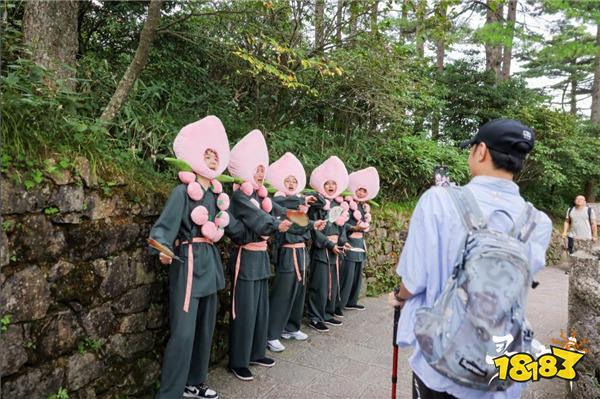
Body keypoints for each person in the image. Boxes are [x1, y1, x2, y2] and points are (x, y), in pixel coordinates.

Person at [390, 119, 553, 399]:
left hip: (440, 361)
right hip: (499, 364)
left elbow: (414, 279)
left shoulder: (438, 201)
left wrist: (400, 296)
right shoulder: (538, 222)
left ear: (481, 151)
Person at [150, 116, 245, 399]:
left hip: (210, 261)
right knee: (183, 332)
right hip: (189, 262)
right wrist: (163, 250)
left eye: (216, 155)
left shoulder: (217, 196)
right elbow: (162, 228)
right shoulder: (182, 192)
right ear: (194, 157)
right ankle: (169, 392)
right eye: (207, 154)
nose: (213, 159)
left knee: (205, 329)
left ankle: (194, 383)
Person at [226, 130, 295, 381]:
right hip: (245, 258)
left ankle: (255, 352)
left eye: (262, 169)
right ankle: (238, 360)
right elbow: (260, 220)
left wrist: (297, 214)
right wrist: (276, 225)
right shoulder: (240, 195)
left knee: (260, 308)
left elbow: (278, 210)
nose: (259, 173)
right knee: (243, 310)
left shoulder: (259, 195)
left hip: (261, 257)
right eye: (255, 169)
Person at [265, 152, 325, 352]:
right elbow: (284, 211)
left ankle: (291, 327)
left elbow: (311, 216)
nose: (291, 183)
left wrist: (313, 223)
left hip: (301, 253)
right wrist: (301, 203)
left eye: (294, 181)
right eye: (287, 180)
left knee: (298, 291)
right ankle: (272, 334)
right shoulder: (278, 200)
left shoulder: (300, 202)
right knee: (282, 292)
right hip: (287, 253)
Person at [307, 156, 350, 332]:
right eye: (327, 183)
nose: (331, 186)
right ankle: (314, 316)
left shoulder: (336, 204)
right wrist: (327, 243)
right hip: (321, 249)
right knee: (320, 284)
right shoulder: (316, 204)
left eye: (334, 183)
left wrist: (343, 242)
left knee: (332, 283)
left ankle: (326, 312)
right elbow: (313, 229)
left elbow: (340, 228)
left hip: (334, 249)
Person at [337, 167, 379, 316]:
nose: (360, 193)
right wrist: (354, 227)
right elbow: (340, 223)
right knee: (347, 275)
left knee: (357, 274)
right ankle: (339, 304)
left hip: (360, 242)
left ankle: (351, 301)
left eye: (364, 191)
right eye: (359, 190)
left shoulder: (363, 207)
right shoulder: (346, 204)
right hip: (349, 241)